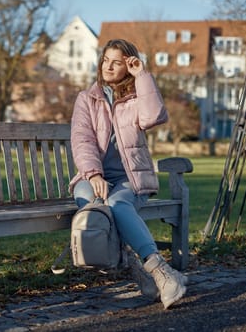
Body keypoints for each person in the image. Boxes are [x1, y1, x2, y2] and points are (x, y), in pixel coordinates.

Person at [69, 39, 187, 309]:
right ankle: (139, 271)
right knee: (93, 207)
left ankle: (162, 274)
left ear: (129, 65)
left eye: (117, 62)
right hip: (92, 177)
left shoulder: (136, 97)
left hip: (129, 179)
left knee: (116, 204)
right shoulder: (87, 98)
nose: (108, 66)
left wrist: (142, 76)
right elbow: (82, 139)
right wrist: (93, 174)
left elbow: (154, 116)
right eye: (106, 60)